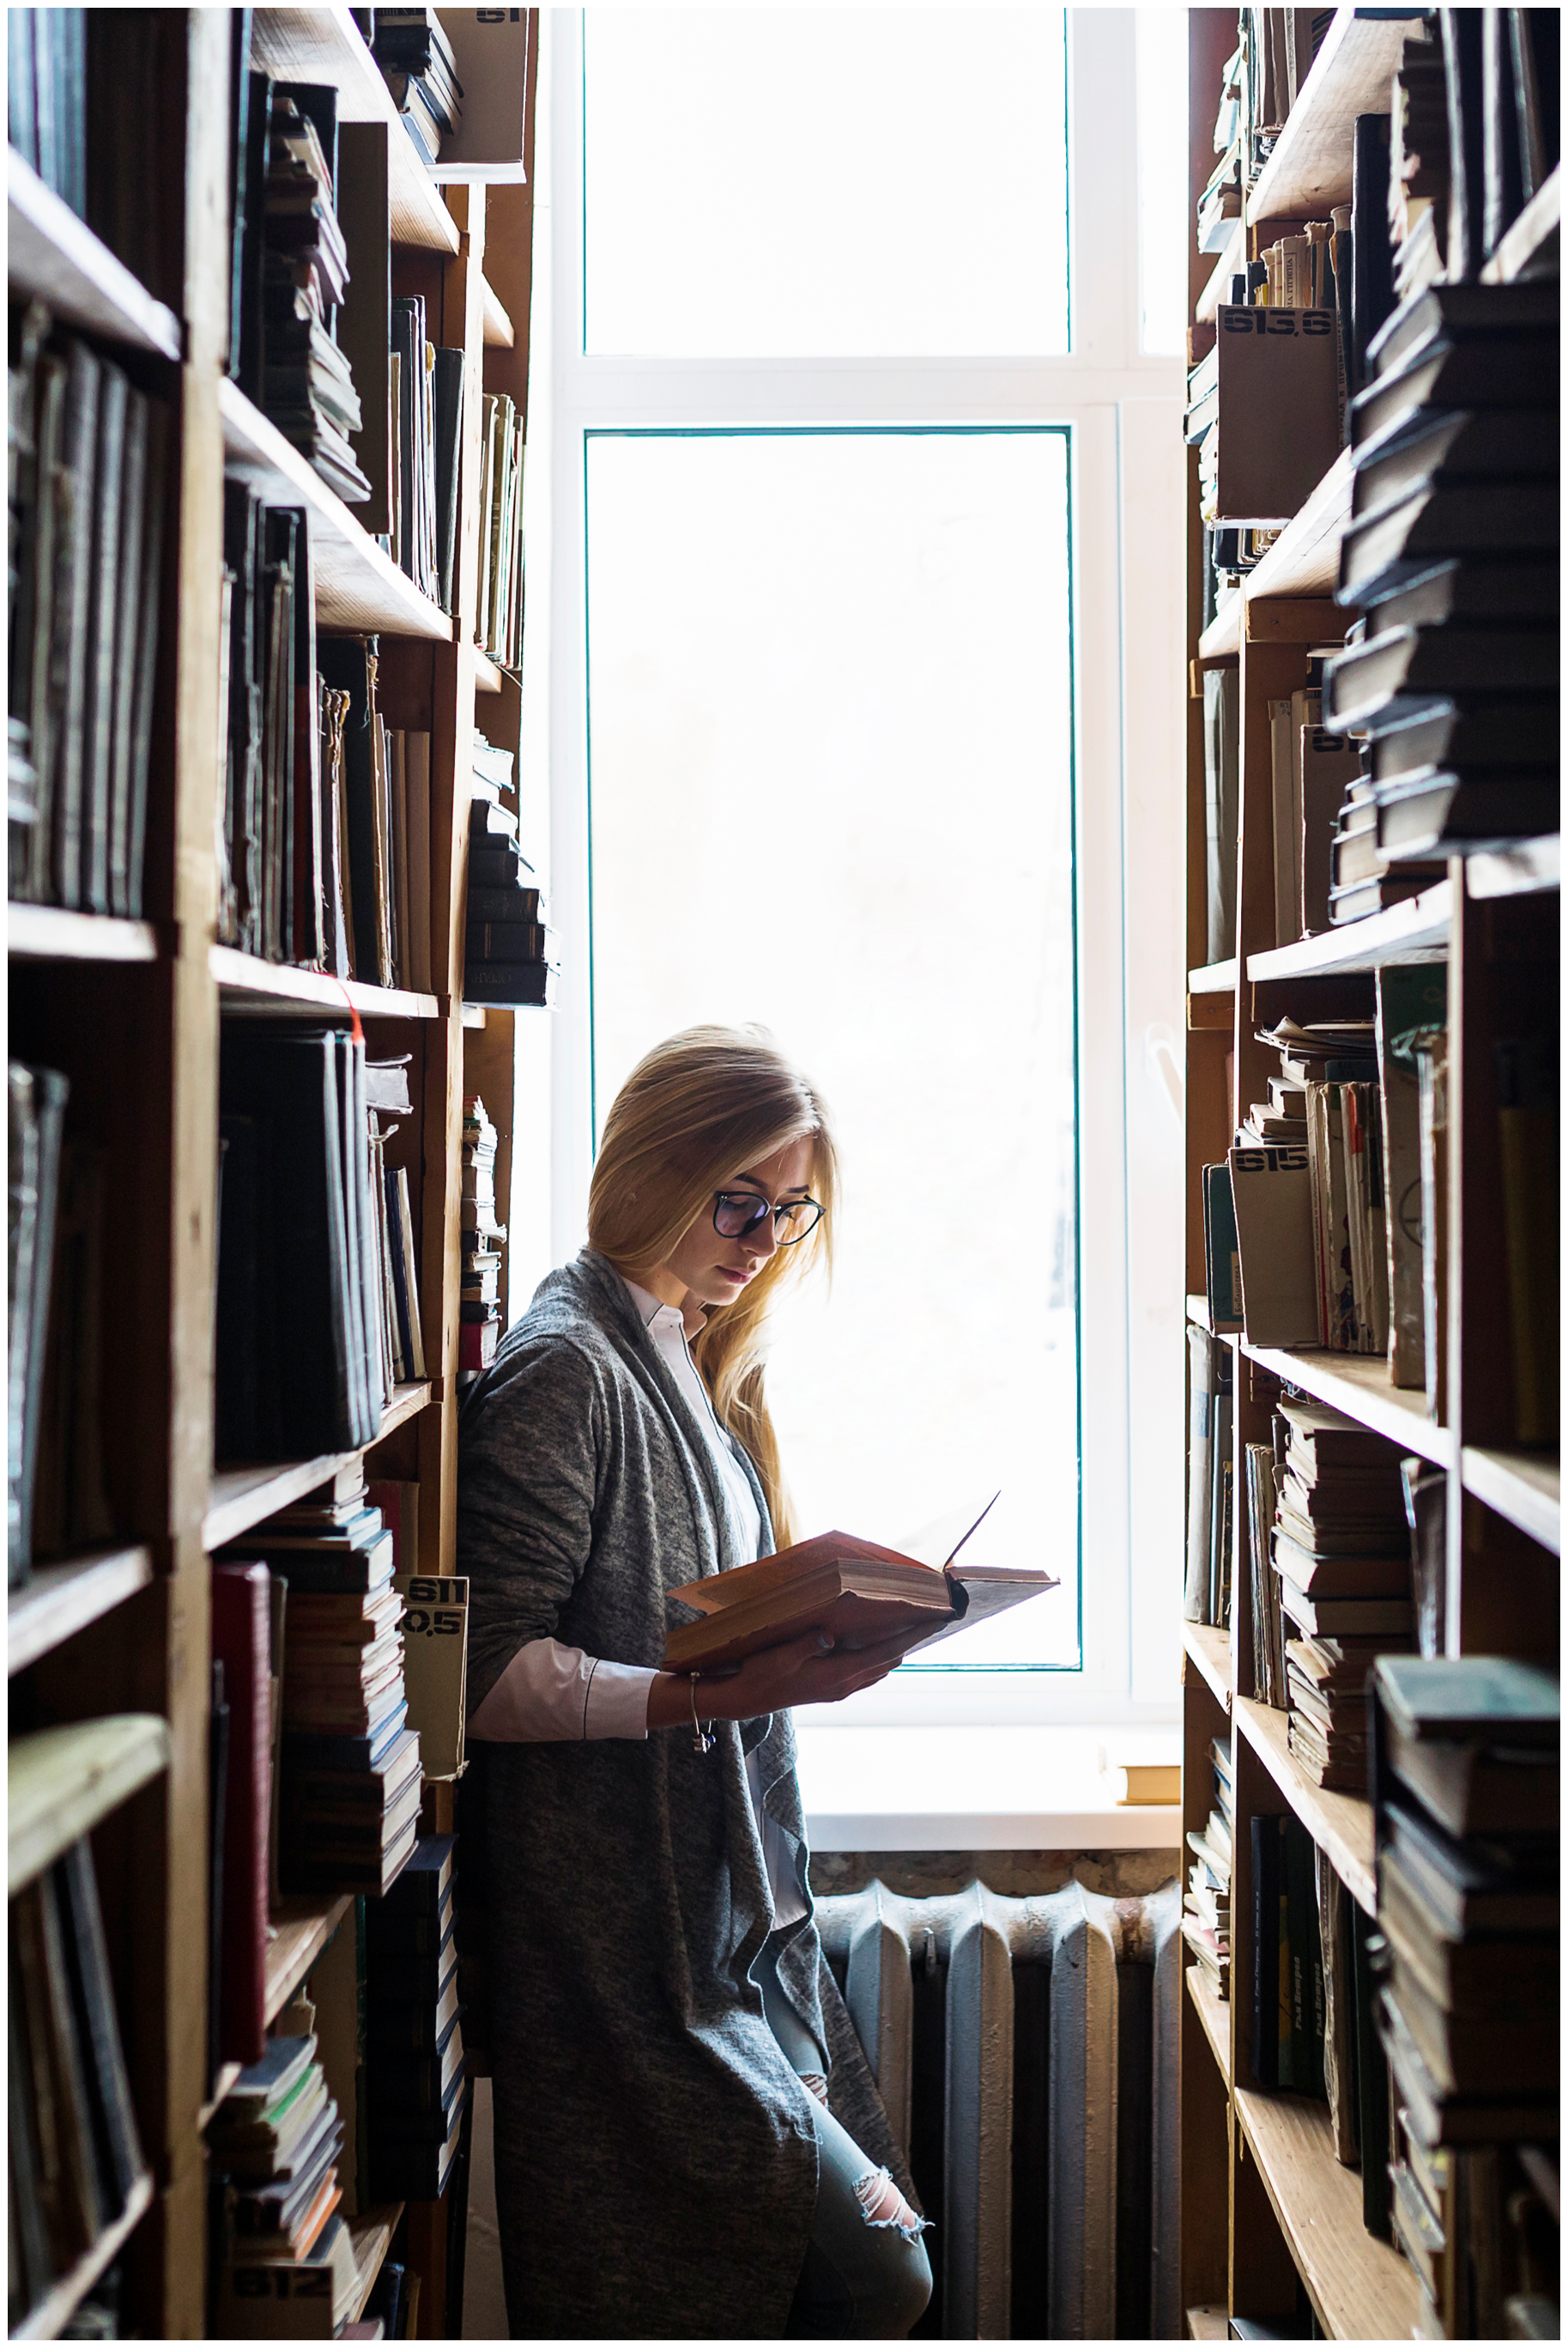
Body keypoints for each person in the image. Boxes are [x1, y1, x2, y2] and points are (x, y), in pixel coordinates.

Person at [457, 1025, 935, 2340]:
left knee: (843, 2272)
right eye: (742, 1200)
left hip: (721, 1927)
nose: (765, 1237)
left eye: (790, 1210)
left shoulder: (682, 1350)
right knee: (876, 2273)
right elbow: (485, 1670)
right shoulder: (569, 1366)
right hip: (625, 1960)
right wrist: (713, 1697)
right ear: (654, 1167)